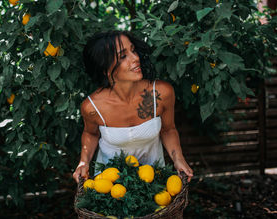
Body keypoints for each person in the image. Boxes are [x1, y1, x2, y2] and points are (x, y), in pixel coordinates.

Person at [72, 30, 193, 183]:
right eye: (123, 56)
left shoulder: (162, 92)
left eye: (133, 50)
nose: (136, 58)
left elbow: (168, 130)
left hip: (154, 182)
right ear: (105, 69)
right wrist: (84, 162)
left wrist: (178, 158)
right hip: (109, 186)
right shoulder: (92, 107)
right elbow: (91, 134)